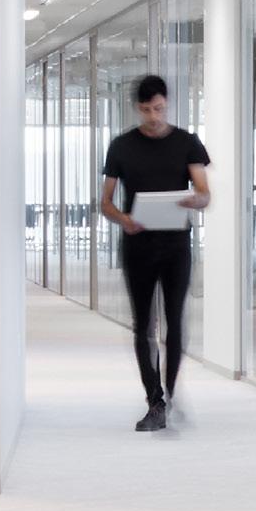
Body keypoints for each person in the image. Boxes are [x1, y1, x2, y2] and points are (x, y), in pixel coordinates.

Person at [99, 74, 211, 432]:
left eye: (159, 109)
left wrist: (194, 200)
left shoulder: (187, 143)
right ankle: (155, 400)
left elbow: (204, 193)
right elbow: (105, 202)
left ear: (167, 104)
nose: (154, 116)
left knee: (174, 321)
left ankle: (171, 392)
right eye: (147, 110)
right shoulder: (121, 146)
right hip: (138, 246)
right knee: (143, 325)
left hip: (176, 246)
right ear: (138, 108)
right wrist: (124, 219)